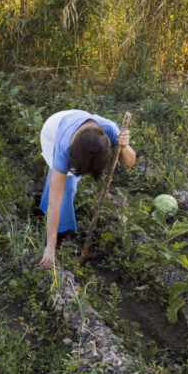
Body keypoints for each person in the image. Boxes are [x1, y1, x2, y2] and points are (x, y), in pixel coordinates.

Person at [36, 110, 136, 270]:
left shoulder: (111, 131)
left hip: (77, 125)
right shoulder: (63, 147)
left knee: (68, 179)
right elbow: (56, 201)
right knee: (66, 187)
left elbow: (130, 162)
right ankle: (62, 233)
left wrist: (124, 146)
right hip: (52, 131)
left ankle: (41, 206)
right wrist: (50, 246)